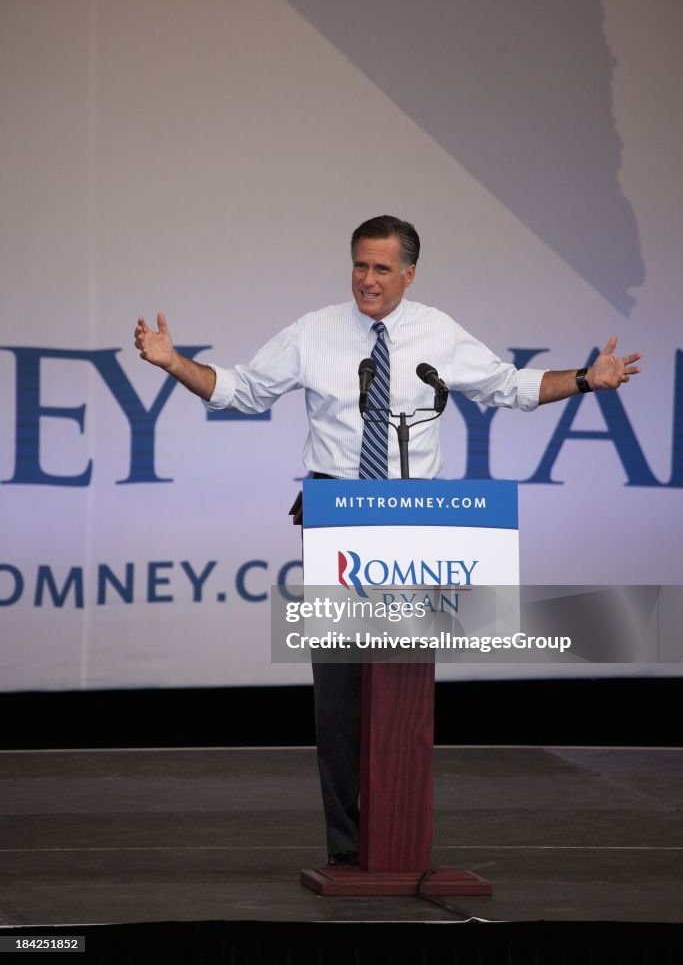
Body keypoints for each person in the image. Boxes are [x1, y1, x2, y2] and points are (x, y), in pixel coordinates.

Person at [134, 214, 641, 866]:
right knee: (341, 696)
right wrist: (173, 361)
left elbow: (508, 388)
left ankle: (400, 842)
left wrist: (584, 379)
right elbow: (241, 391)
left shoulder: (437, 332)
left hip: (416, 522)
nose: (366, 280)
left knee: (402, 691)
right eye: (358, 265)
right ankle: (348, 850)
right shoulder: (313, 332)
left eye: (380, 268)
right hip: (337, 516)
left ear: (408, 273)